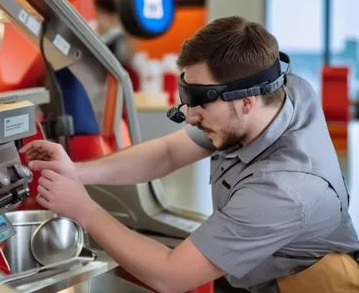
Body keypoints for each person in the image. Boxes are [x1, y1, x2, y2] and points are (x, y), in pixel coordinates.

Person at [20, 16, 359, 293]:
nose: (192, 117)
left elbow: (171, 276)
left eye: (202, 103)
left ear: (246, 102)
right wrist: (77, 172)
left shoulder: (284, 189)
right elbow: (168, 153)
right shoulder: (275, 92)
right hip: (257, 269)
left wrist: (84, 209)